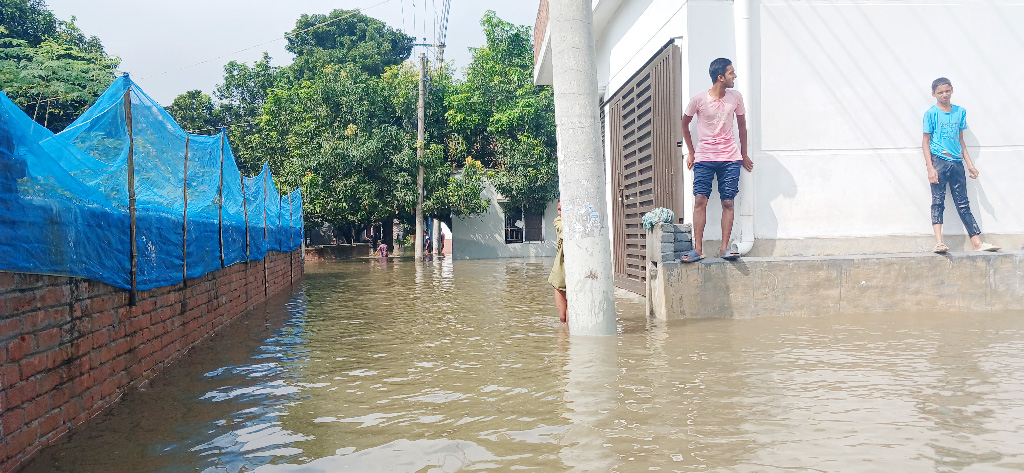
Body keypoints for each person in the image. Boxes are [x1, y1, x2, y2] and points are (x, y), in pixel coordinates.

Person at [680, 57, 754, 263]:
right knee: (700, 200)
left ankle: (724, 249)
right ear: (720, 77)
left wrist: (744, 154)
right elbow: (684, 125)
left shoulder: (736, 97)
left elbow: (742, 127)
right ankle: (698, 249)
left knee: (728, 201)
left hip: (730, 157)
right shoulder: (698, 100)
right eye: (731, 73)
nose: (735, 76)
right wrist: (691, 153)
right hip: (704, 157)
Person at [923, 77, 999, 253]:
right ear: (933, 94)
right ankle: (939, 242)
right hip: (939, 161)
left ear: (952, 90)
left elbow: (961, 140)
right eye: (940, 92)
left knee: (963, 203)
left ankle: (977, 243)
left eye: (947, 91)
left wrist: (970, 164)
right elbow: (925, 142)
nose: (944, 95)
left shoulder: (960, 112)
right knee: (938, 201)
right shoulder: (931, 113)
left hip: (957, 163)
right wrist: (930, 168)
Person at [548, 201, 567, 323]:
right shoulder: (558, 221)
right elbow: (564, 231)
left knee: (572, 314)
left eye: (564, 210)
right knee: (562, 317)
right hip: (561, 270)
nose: (561, 213)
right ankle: (564, 339)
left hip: (576, 270)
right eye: (559, 209)